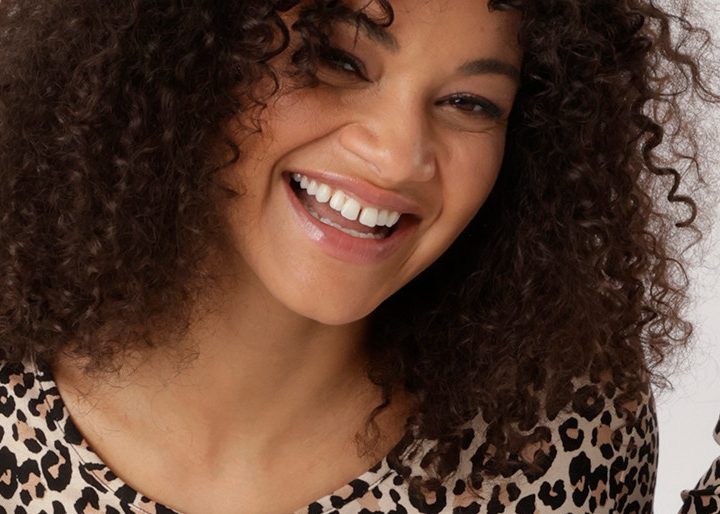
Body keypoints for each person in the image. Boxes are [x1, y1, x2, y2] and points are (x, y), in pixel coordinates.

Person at [0, 0, 716, 512]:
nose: (399, 156)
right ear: (187, 51)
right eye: (337, 60)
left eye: (471, 103)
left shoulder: (560, 436)